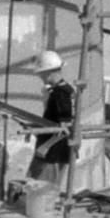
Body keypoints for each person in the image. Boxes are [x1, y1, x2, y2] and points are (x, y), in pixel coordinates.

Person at [27, 49, 79, 186]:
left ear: (47, 72)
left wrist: (45, 146)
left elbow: (65, 127)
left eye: (40, 74)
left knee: (39, 188)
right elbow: (58, 121)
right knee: (46, 189)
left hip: (52, 153)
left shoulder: (60, 94)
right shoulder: (67, 90)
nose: (40, 77)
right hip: (60, 150)